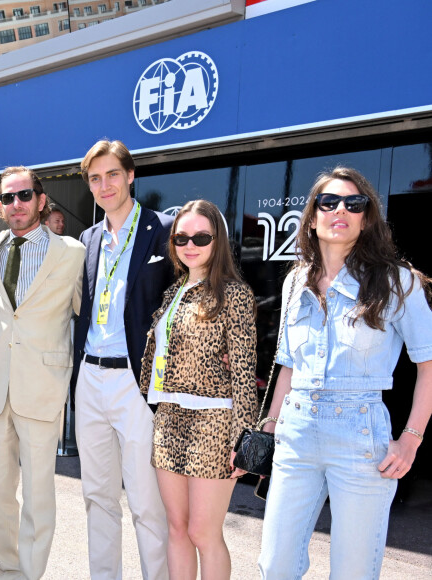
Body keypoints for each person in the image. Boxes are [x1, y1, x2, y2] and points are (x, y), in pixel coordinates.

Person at [258, 167, 432, 579]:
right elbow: (288, 365)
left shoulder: (396, 282)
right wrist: (269, 427)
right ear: (313, 216)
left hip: (360, 435)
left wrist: (411, 439)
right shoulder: (295, 281)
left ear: (367, 217)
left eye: (354, 204)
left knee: (353, 571)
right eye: (329, 201)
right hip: (295, 434)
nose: (341, 210)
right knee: (275, 565)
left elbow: (428, 365)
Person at [0, 166, 85, 580]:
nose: (15, 204)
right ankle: (6, 570)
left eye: (24, 195)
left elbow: (89, 314)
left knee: (39, 495)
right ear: (1, 206)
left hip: (41, 386)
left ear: (41, 199)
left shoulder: (72, 253)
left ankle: (30, 575)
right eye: (7, 198)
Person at [139, 199, 258, 579]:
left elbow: (243, 369)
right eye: (181, 238)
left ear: (217, 240)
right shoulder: (175, 290)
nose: (190, 245)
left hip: (214, 421)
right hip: (168, 418)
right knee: (176, 528)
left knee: (202, 532)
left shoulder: (234, 294)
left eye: (201, 237)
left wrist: (243, 437)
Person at [71, 140, 174, 579]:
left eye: (112, 174)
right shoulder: (88, 239)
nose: (104, 185)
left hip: (137, 382)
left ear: (130, 175)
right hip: (91, 377)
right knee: (97, 497)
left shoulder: (164, 230)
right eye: (95, 178)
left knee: (148, 501)